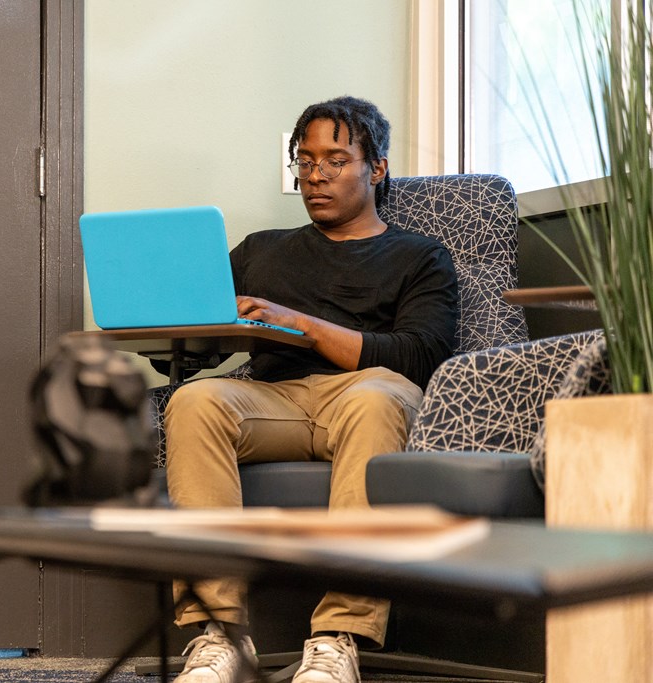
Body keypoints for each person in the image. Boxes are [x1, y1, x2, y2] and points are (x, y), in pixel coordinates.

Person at [165, 96, 459, 683]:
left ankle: (336, 638)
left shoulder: (420, 256)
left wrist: (301, 324)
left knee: (376, 399)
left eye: (335, 159)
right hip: (275, 400)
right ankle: (219, 636)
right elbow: (204, 344)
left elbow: (420, 354)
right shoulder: (262, 249)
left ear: (376, 168)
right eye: (305, 161)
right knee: (194, 401)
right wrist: (189, 319)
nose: (316, 176)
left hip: (367, 392)